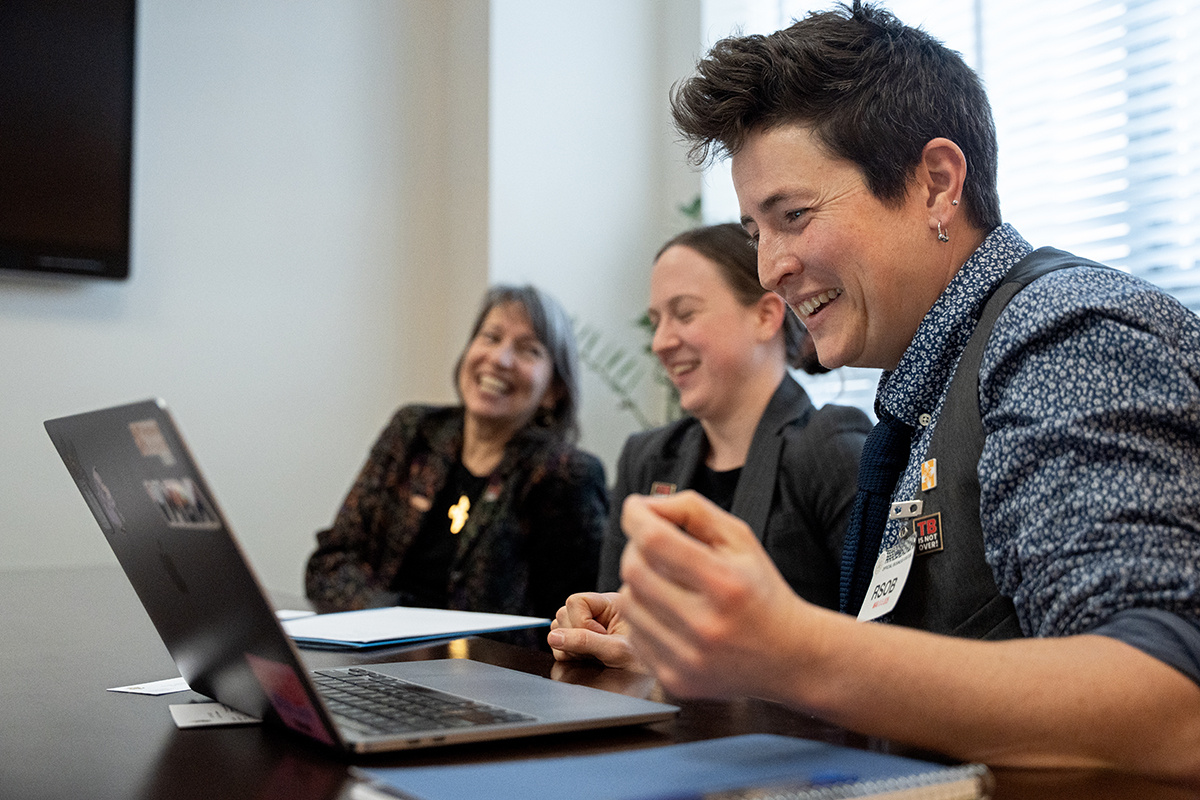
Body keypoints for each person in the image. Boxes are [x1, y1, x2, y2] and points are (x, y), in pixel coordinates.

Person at [608, 2, 1200, 783]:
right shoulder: (937, 378)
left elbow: (1173, 705)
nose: (771, 268)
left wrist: (790, 651)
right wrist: (715, 650)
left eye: (793, 215)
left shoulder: (1060, 334)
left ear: (936, 184)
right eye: (756, 233)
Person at [549, 223, 869, 670]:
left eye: (684, 314)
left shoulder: (830, 448)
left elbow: (877, 646)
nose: (661, 342)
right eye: (656, 322)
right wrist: (595, 624)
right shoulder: (646, 458)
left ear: (765, 316)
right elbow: (621, 615)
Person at [304, 284, 607, 619]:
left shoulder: (565, 475)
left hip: (486, 668)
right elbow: (328, 565)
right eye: (491, 337)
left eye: (528, 350)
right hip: (376, 659)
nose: (499, 359)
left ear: (554, 390)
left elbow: (573, 622)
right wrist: (397, 622)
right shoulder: (413, 432)